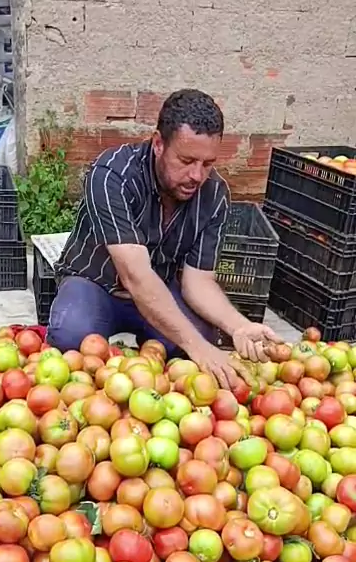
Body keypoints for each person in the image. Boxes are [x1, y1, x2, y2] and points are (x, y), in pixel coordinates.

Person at [47, 89, 280, 388]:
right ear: (158, 144)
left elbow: (198, 281)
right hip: (97, 284)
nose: (197, 175)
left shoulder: (213, 195)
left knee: (203, 335)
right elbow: (135, 276)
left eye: (207, 163)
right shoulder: (112, 176)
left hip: (159, 288)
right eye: (186, 160)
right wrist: (198, 348)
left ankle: (156, 355)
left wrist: (239, 327)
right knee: (71, 334)